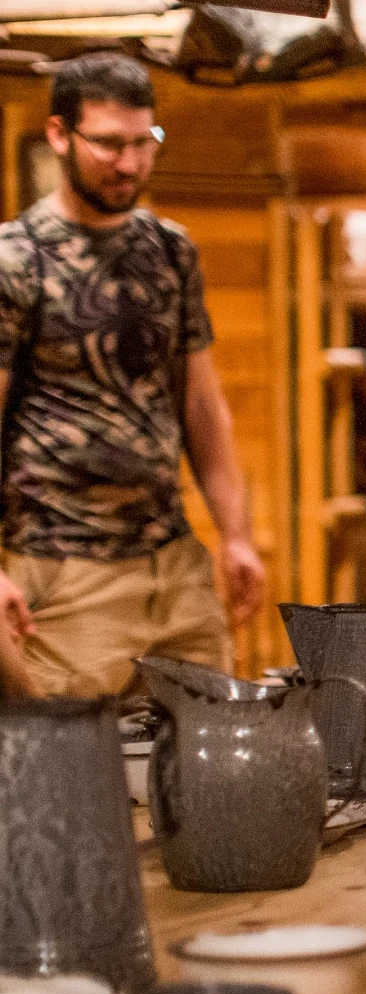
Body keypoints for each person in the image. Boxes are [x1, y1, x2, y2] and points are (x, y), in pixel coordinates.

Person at [0, 54, 262, 696]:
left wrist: (236, 536)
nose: (130, 164)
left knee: (213, 758)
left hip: (173, 563)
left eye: (144, 143)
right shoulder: (16, 260)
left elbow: (201, 406)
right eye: (109, 144)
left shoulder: (171, 251)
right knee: (80, 780)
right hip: (63, 573)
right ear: (60, 135)